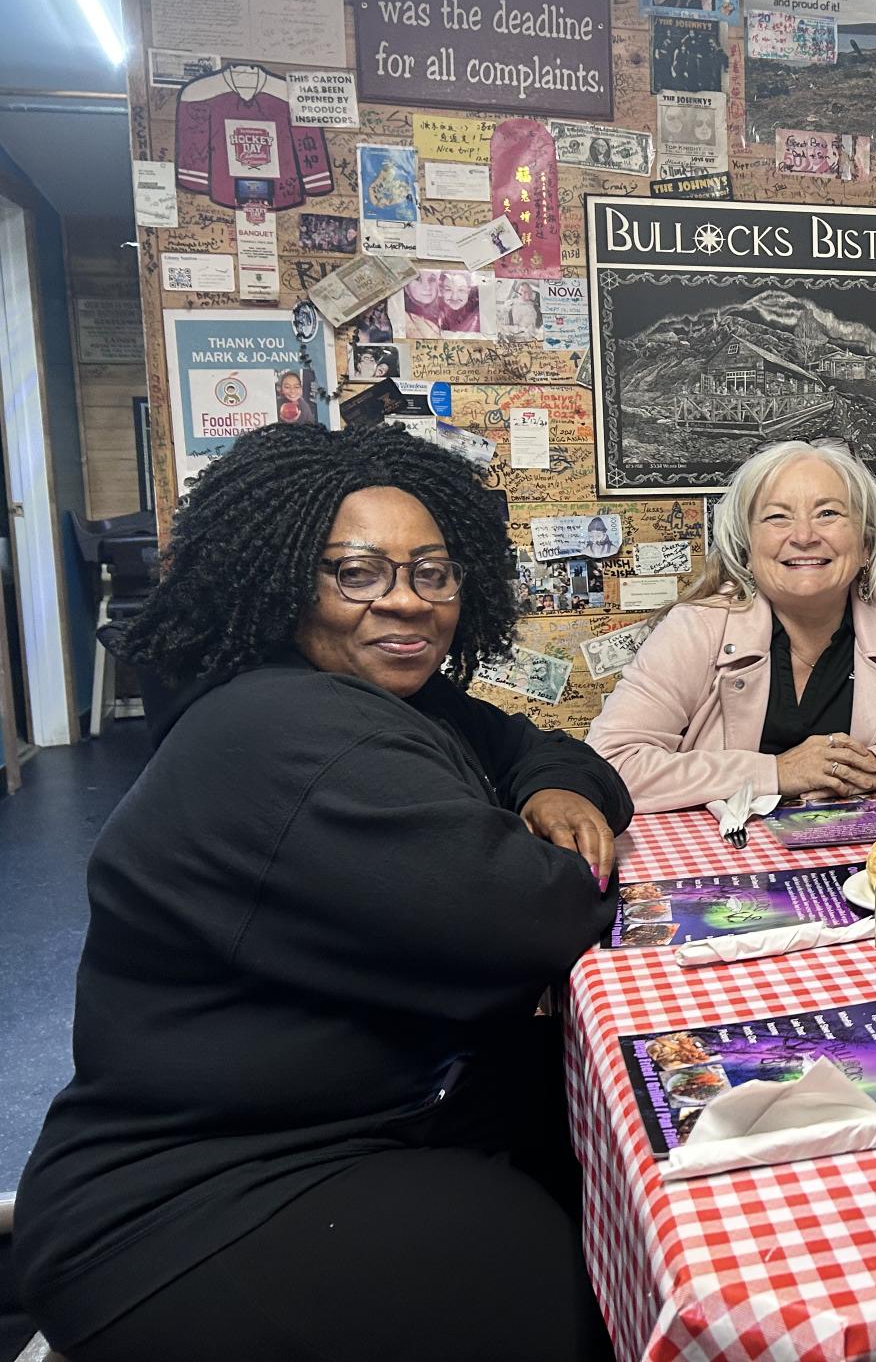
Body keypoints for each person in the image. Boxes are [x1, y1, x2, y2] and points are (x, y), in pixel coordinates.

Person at [13, 423, 629, 1362]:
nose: (406, 601)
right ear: (281, 584)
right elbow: (533, 913)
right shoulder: (288, 734)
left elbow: (537, 746)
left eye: (432, 573)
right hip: (186, 1209)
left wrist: (554, 789)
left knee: (609, 1139)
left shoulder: (391, 698)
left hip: (346, 1115)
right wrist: (552, 843)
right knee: (551, 1278)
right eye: (357, 573)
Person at [588, 439, 876, 811]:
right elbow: (611, 762)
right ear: (746, 548)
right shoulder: (698, 628)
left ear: (865, 544)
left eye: (828, 513)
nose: (804, 536)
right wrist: (775, 772)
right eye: (777, 517)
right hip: (732, 865)